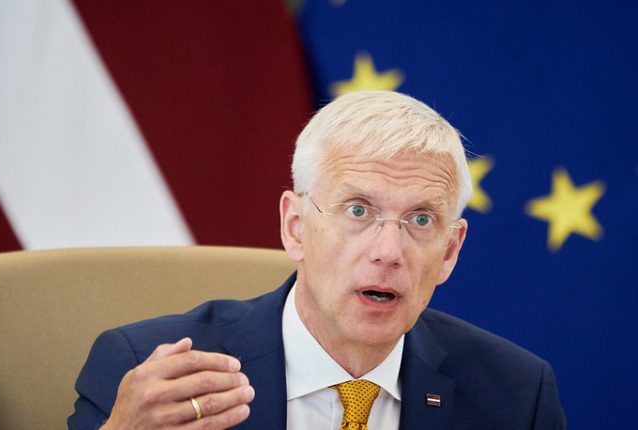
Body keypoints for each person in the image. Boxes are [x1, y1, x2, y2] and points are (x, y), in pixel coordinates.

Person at [68, 91, 566, 429]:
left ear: (450, 251)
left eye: (420, 220)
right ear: (295, 227)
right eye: (358, 210)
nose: (388, 252)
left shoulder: (517, 395)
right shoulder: (151, 377)